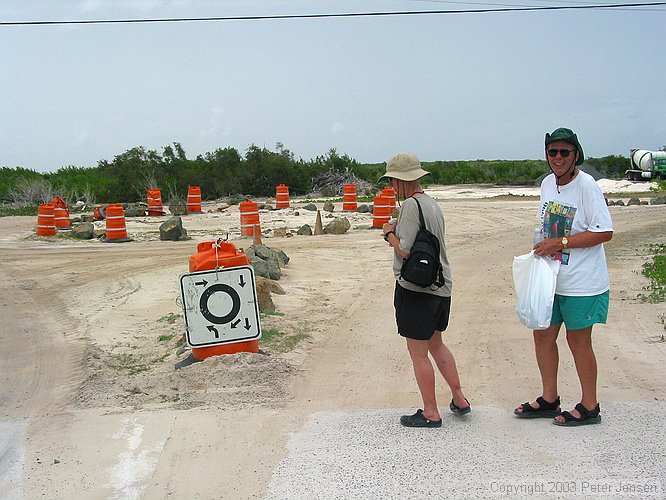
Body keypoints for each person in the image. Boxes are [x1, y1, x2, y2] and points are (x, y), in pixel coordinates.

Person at [514, 127, 613, 426]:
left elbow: (604, 231)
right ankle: (548, 398)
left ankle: (589, 406)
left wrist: (561, 243)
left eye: (564, 152)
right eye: (552, 152)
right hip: (551, 278)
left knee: (578, 341)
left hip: (583, 282)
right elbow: (547, 222)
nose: (558, 158)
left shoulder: (587, 187)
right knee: (542, 333)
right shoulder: (547, 184)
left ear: (576, 155)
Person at [380, 152, 470, 428]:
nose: (393, 186)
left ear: (400, 181)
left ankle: (430, 412)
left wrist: (388, 234)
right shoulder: (432, 204)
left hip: (417, 288)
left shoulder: (409, 206)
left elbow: (405, 249)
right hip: (441, 285)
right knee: (436, 344)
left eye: (394, 181)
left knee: (418, 352)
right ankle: (459, 398)